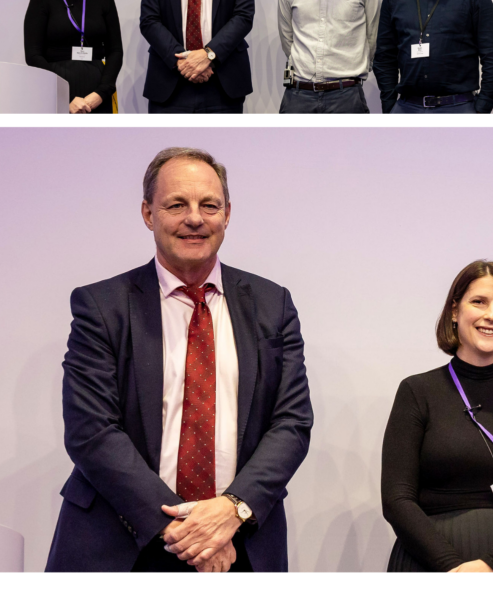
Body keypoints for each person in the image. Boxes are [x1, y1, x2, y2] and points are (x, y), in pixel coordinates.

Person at [45, 148, 313, 571]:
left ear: (227, 214)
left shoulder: (272, 304)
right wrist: (190, 531)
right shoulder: (101, 305)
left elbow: (292, 422)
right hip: (120, 541)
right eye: (176, 205)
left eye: (209, 205)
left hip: (239, 542)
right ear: (148, 214)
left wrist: (231, 510)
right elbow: (91, 430)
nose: (195, 218)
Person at [381, 260, 493, 571]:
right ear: (455, 311)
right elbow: (397, 499)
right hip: (429, 566)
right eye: (479, 302)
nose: (491, 315)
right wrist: (453, 567)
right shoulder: (417, 391)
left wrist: (491, 564)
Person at [23, 0, 123, 114]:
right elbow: (33, 55)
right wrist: (63, 96)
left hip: (98, 93)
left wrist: (101, 93)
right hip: (56, 91)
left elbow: (115, 51)